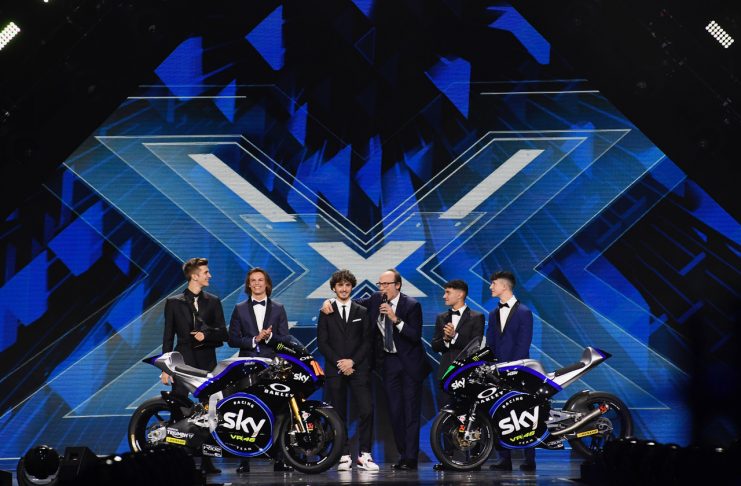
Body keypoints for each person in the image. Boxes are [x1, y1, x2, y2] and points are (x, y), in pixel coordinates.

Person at [323, 268, 432, 470]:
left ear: (397, 285)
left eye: (386, 284)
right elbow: (350, 303)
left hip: (409, 364)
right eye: (380, 284)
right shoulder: (375, 299)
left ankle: (411, 458)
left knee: (410, 412)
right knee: (395, 412)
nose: (382, 288)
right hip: (388, 363)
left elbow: (414, 336)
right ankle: (403, 455)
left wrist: (395, 318)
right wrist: (329, 301)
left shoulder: (411, 305)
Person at [161, 257, 227, 475]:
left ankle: (207, 461)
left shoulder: (213, 301)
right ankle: (177, 459)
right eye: (206, 272)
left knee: (208, 412)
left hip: (207, 363)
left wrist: (205, 335)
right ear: (194, 276)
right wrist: (165, 368)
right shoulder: (174, 302)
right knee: (179, 408)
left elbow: (223, 334)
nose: (209, 275)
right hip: (182, 363)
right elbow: (168, 337)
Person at [227, 267, 293, 473]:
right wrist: (255, 339)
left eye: (260, 280)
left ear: (267, 284)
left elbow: (285, 339)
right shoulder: (239, 309)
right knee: (245, 411)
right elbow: (232, 339)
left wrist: (270, 338)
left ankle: (279, 458)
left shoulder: (278, 308)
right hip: (247, 367)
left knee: (278, 411)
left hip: (272, 367)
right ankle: (244, 459)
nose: (257, 283)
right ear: (249, 285)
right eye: (253, 280)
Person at [317, 269, 379, 472]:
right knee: (338, 413)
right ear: (334, 288)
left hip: (358, 369)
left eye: (347, 285)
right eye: (340, 285)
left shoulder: (361, 311)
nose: (344, 289)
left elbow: (367, 341)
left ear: (352, 287)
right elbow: (322, 342)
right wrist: (340, 363)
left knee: (367, 410)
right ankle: (343, 454)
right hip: (335, 370)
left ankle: (365, 454)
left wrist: (352, 362)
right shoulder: (326, 311)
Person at [430, 279, 485, 471]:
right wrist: (445, 339)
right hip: (447, 373)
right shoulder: (441, 317)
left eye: (448, 292)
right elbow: (435, 345)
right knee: (447, 416)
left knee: (472, 415)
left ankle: (475, 457)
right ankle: (448, 457)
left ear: (460, 294)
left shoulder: (477, 317)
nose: (444, 296)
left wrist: (455, 336)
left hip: (468, 374)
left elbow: (476, 344)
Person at [485, 270, 536, 472]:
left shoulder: (524, 312)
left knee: (525, 413)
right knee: (498, 413)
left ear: (504, 286)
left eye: (494, 283)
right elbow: (490, 343)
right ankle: (504, 459)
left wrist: (511, 368)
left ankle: (529, 459)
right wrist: (489, 366)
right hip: (496, 372)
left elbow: (523, 344)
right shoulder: (493, 313)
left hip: (519, 370)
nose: (491, 286)